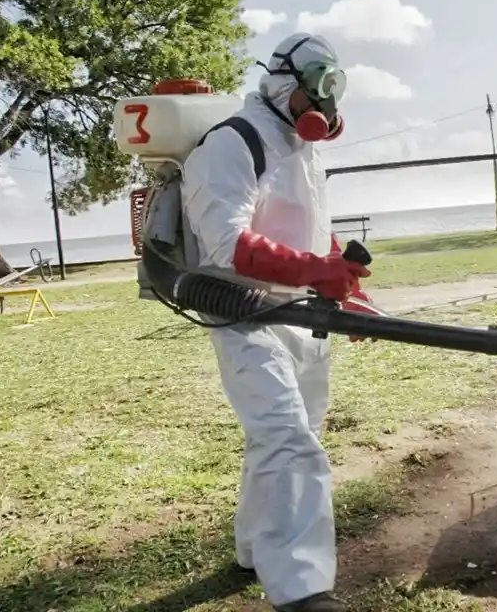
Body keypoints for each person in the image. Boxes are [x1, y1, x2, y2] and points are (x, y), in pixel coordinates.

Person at [180, 32, 375, 611]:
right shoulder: (232, 142)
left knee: (288, 435)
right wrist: (317, 271)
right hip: (245, 313)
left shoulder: (302, 149)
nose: (325, 112)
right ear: (281, 83)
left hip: (302, 315)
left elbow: (311, 231)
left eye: (332, 99)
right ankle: (302, 590)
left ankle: (253, 549)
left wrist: (341, 283)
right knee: (286, 437)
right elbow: (224, 245)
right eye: (317, 96)